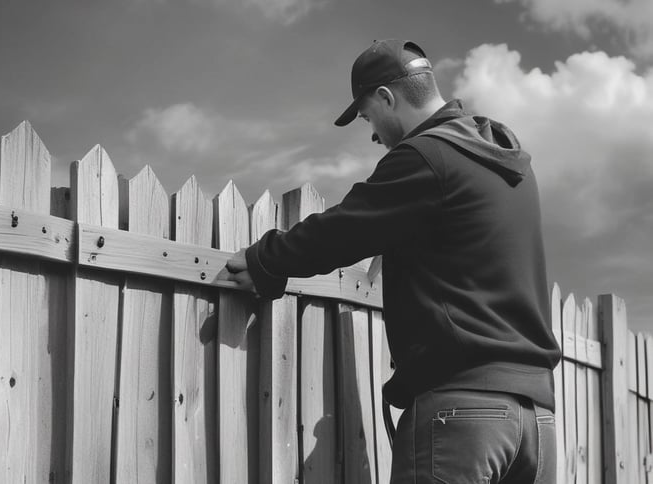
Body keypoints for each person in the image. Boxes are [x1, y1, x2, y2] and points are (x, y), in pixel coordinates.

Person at [220, 39, 561, 483]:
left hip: (463, 415)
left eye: (368, 116)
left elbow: (346, 229)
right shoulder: (507, 164)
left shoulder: (428, 157)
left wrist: (264, 259)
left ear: (386, 97)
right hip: (538, 422)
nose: (374, 134)